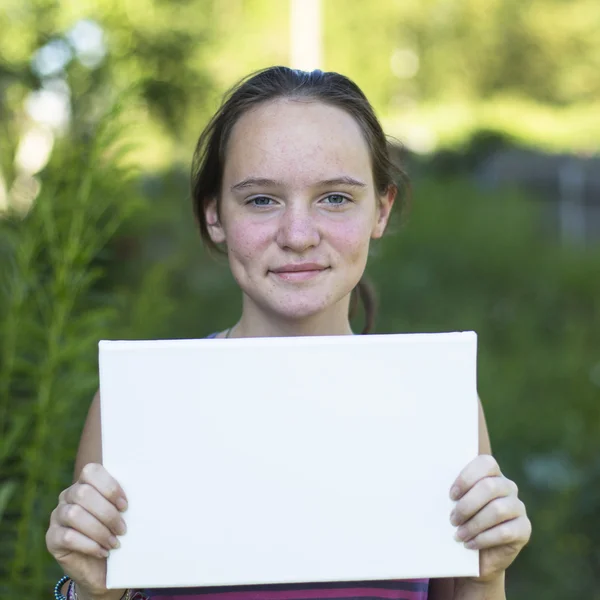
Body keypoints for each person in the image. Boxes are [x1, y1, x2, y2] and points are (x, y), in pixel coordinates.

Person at [46, 66, 531, 600]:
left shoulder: (436, 401)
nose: (298, 235)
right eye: (261, 200)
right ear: (215, 216)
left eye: (335, 198)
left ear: (381, 209)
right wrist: (90, 591)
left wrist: (486, 576)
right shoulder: (140, 404)